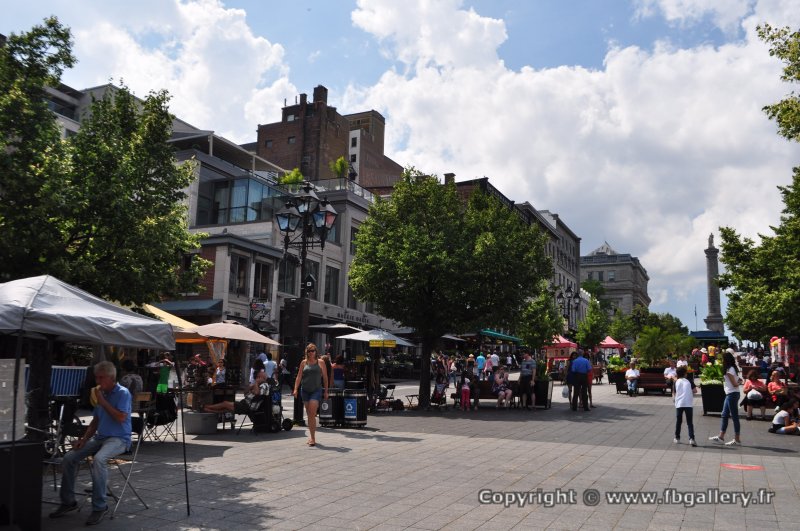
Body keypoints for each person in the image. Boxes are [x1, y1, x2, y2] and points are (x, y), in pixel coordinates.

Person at [49, 361, 132, 526]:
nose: (97, 381)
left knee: (99, 459)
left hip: (119, 438)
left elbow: (121, 417)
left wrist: (103, 402)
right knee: (69, 458)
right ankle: (68, 502)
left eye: (101, 377)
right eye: (96, 377)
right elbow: (95, 421)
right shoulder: (101, 393)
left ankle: (100, 507)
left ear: (111, 377)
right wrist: (84, 440)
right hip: (100, 437)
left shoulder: (123, 393)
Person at [293, 343, 329, 446]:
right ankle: (311, 436)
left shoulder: (321, 362)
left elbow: (325, 378)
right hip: (305, 390)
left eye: (313, 351)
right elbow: (299, 377)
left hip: (316, 390)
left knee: (312, 413)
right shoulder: (304, 363)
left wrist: (326, 391)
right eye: (309, 351)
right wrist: (295, 389)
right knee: (309, 415)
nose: (311, 353)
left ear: (316, 351)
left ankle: (313, 438)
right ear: (307, 352)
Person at [709, 349, 743, 446]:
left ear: (726, 360)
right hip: (731, 394)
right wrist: (739, 381)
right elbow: (738, 380)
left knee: (734, 417)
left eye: (723, 359)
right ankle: (721, 436)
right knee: (724, 415)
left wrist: (739, 383)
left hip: (732, 394)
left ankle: (737, 439)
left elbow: (735, 384)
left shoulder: (729, 370)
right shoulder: (732, 368)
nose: (722, 361)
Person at [203, 370, 268, 415]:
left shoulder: (264, 385)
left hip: (248, 406)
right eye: (257, 377)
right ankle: (208, 409)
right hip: (245, 403)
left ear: (263, 378)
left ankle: (207, 406)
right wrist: (250, 387)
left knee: (225, 403)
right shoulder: (258, 385)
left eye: (259, 377)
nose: (257, 378)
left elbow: (257, 393)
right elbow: (245, 393)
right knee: (226, 408)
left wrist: (256, 383)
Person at [673, 366, 698, 446]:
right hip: (688, 404)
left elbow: (674, 393)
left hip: (679, 404)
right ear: (684, 374)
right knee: (689, 422)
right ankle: (691, 439)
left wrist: (674, 399)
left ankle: (677, 438)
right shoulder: (689, 381)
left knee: (679, 421)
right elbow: (695, 390)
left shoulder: (676, 382)